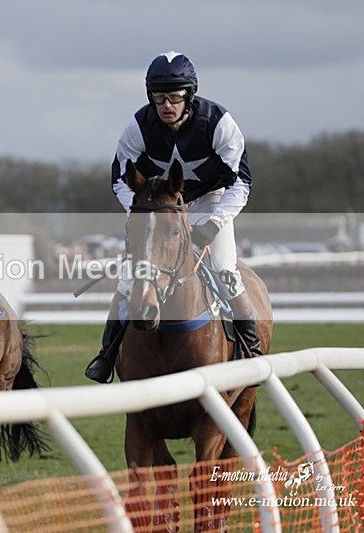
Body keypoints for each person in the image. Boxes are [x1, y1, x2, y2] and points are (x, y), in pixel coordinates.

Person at [85, 51, 262, 383]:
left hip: (209, 202)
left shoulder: (218, 123)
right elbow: (119, 178)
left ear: (189, 96)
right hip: (160, 207)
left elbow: (241, 182)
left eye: (175, 97)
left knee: (225, 269)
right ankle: (107, 354)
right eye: (159, 98)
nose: (167, 105)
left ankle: (253, 351)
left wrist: (215, 223)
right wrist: (142, 215)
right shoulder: (138, 127)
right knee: (129, 279)